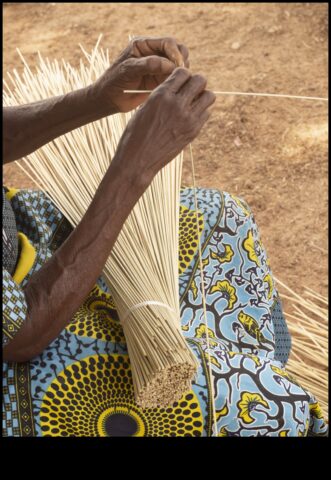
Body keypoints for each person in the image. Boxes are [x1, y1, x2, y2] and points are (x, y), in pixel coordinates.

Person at [2, 36, 327, 437]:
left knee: (222, 219)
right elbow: (20, 334)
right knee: (267, 406)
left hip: (15, 240)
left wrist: (99, 98)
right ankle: (240, 376)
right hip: (18, 353)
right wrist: (133, 166)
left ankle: (240, 359)